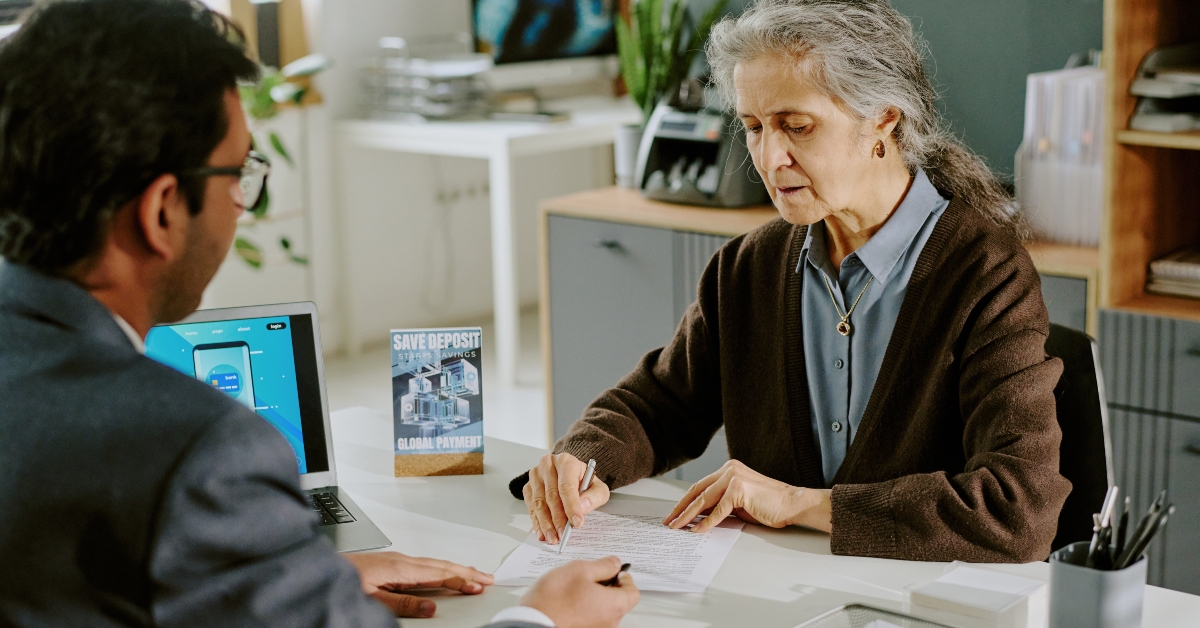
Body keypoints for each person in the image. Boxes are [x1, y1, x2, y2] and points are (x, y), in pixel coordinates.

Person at [0, 1, 638, 626]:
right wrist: (542, 617)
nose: (242, 205)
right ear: (162, 210)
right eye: (240, 173)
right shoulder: (199, 453)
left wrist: (287, 580)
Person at [518, 0, 1071, 563]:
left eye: (796, 126)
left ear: (884, 117)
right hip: (781, 589)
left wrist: (799, 504)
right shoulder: (748, 267)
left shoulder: (986, 274)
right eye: (754, 128)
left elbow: (1018, 510)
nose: (769, 156)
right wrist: (582, 459)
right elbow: (660, 404)